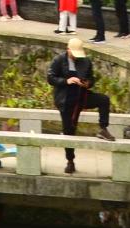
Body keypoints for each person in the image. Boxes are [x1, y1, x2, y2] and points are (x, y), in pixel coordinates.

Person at [46, 37, 114, 174]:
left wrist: (87, 83)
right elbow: (50, 78)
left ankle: (103, 128)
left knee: (103, 100)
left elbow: (91, 79)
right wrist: (66, 80)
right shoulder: (59, 60)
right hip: (66, 98)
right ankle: (70, 160)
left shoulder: (86, 61)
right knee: (69, 130)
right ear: (68, 50)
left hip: (81, 95)